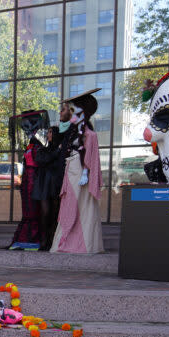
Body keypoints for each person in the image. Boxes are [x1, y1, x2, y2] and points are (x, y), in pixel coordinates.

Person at [51, 90, 104, 254]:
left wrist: (85, 174)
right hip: (70, 171)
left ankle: (82, 244)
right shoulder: (72, 132)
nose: (70, 113)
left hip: (80, 173)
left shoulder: (90, 135)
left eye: (73, 109)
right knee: (69, 205)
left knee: (81, 206)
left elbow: (91, 158)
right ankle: (66, 242)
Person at [9, 110, 48, 249]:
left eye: (28, 127)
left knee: (32, 208)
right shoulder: (33, 144)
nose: (26, 131)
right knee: (28, 208)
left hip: (34, 180)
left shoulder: (38, 144)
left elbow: (40, 162)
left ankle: (33, 239)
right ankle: (27, 238)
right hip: (27, 179)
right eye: (24, 127)